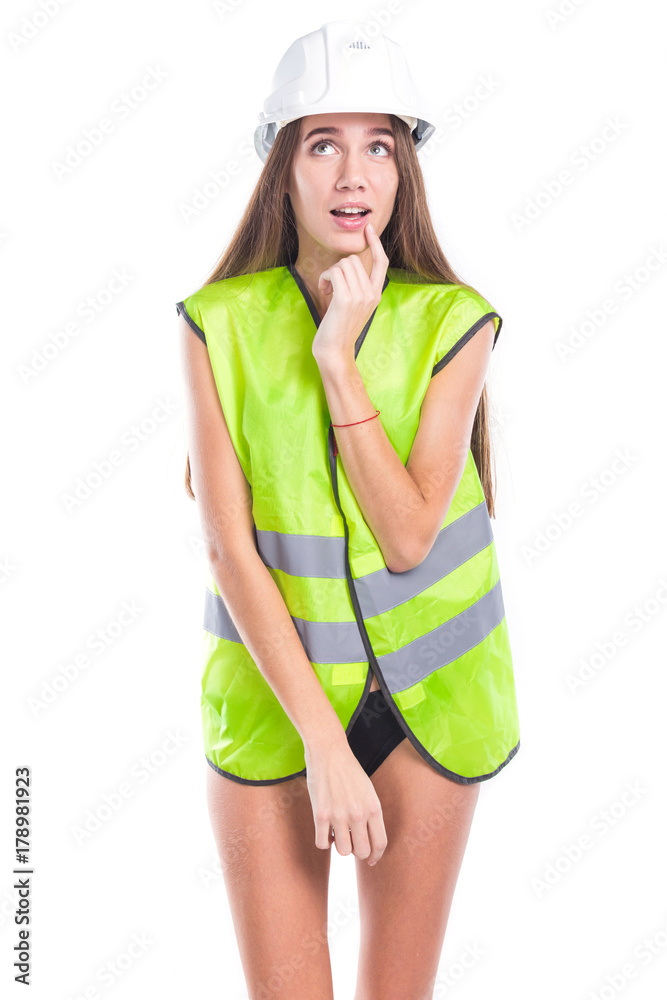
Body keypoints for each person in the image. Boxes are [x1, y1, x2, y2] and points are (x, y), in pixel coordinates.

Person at [176, 20, 520, 1000]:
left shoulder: (453, 321)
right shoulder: (219, 323)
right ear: (282, 168)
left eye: (378, 144)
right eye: (321, 143)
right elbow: (230, 551)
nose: (351, 172)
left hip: (432, 712)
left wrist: (339, 359)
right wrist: (323, 749)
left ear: (405, 170)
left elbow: (410, 535)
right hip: (278, 710)